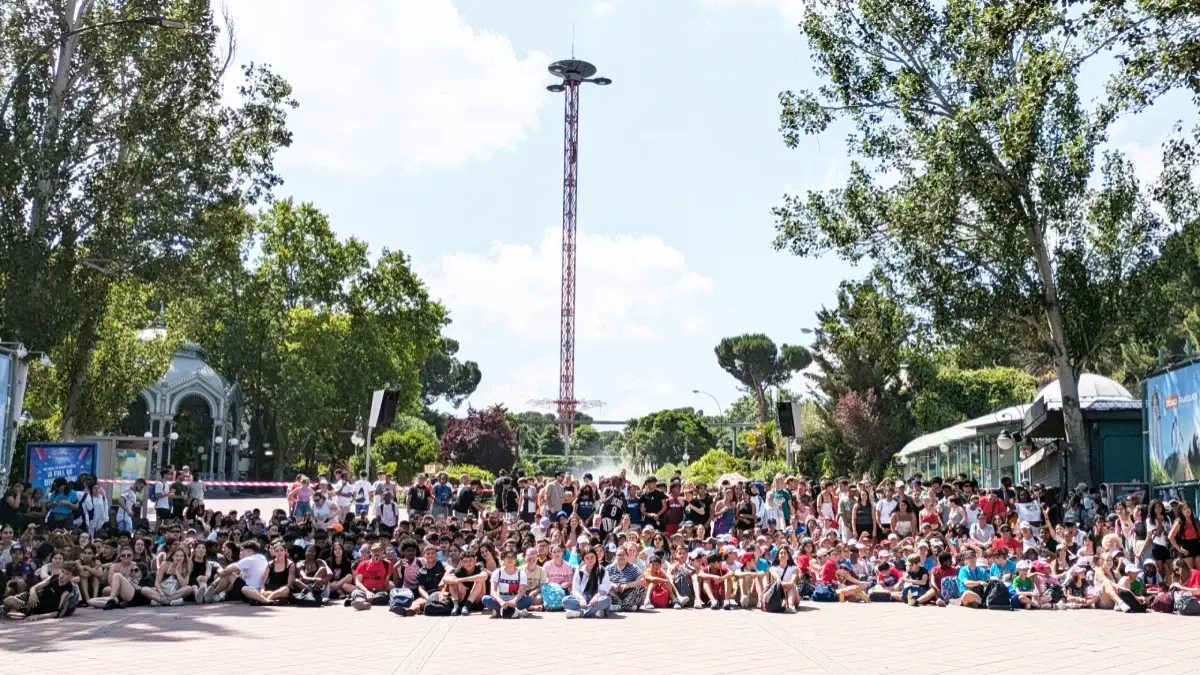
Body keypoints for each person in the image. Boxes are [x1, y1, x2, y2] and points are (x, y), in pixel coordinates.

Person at [482, 550, 531, 618]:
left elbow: (522, 591)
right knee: (485, 599)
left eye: (512, 557)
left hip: (515, 602)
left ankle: (500, 612)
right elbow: (493, 591)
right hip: (500, 601)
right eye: (508, 557)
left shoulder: (521, 573)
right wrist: (501, 602)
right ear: (503, 559)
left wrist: (514, 601)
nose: (510, 559)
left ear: (515, 560)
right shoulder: (497, 572)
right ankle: (513, 612)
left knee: (529, 599)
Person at [565, 548, 611, 618]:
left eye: (592, 557)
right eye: (587, 558)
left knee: (607, 600)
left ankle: (579, 613)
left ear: (596, 557)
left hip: (597, 600)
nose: (590, 560)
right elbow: (575, 590)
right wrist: (581, 599)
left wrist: (597, 596)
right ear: (584, 560)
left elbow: (605, 589)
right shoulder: (579, 571)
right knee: (565, 600)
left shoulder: (603, 571)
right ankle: (594, 612)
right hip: (584, 600)